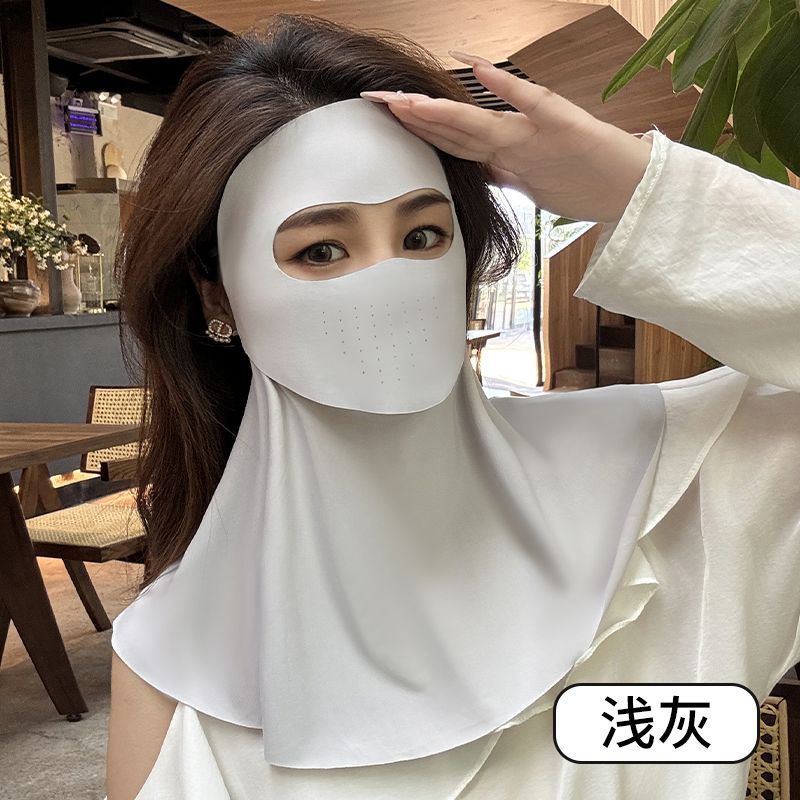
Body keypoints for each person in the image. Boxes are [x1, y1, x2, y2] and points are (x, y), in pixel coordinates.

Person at [105, 13, 800, 800]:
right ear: (217, 295)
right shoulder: (173, 660)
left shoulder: (679, 488)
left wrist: (639, 191)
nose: (391, 284)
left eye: (423, 237)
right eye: (321, 250)